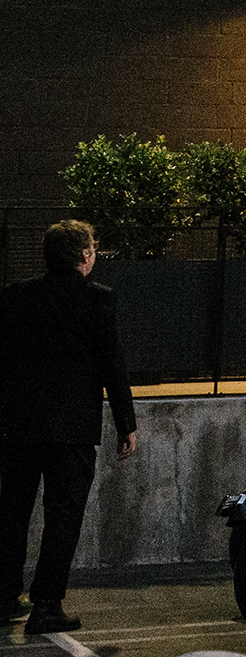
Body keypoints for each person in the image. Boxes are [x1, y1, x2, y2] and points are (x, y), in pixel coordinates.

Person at [0, 221, 138, 634]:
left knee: (11, 513)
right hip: (71, 429)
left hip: (18, 425)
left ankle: (5, 596)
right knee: (63, 517)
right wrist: (125, 424)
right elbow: (112, 364)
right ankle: (46, 606)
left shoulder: (15, 296)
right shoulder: (98, 301)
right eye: (93, 249)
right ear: (84, 256)